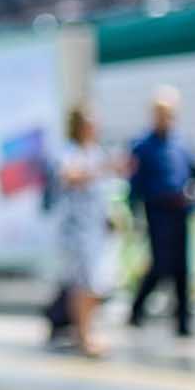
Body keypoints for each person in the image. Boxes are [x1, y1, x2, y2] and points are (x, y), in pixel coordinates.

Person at [127, 85, 195, 336]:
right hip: (157, 210)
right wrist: (133, 213)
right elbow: (135, 183)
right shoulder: (143, 145)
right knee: (161, 264)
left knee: (182, 266)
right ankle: (137, 309)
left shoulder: (182, 142)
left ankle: (183, 321)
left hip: (180, 209)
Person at [48, 106, 119, 357]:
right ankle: (84, 336)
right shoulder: (69, 152)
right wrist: (103, 169)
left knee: (98, 283)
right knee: (83, 283)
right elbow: (70, 176)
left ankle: (85, 330)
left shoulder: (95, 152)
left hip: (96, 228)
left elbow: (105, 192)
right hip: (76, 230)